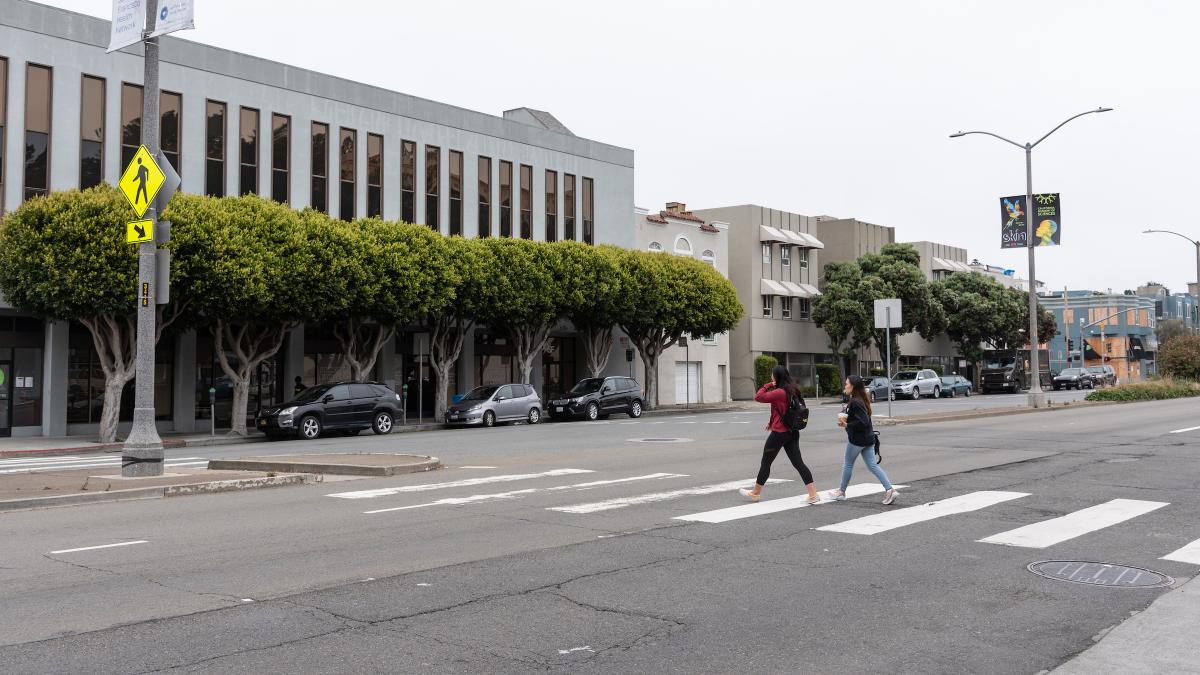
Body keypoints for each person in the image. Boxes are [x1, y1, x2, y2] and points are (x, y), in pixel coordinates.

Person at [739, 365, 820, 504]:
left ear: (776, 377)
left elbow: (758, 397)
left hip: (779, 434)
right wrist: (771, 422)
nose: (771, 377)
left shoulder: (780, 392)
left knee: (766, 462)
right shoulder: (793, 390)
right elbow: (781, 410)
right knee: (798, 463)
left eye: (772, 375)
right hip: (792, 432)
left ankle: (755, 493)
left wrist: (768, 385)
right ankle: (813, 494)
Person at [829, 375, 898, 505]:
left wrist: (847, 425)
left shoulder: (856, 401)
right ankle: (890, 489)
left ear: (853, 386)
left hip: (857, 439)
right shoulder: (860, 399)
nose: (845, 386)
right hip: (868, 439)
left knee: (848, 464)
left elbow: (863, 422)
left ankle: (841, 492)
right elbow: (862, 420)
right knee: (873, 466)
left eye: (847, 383)